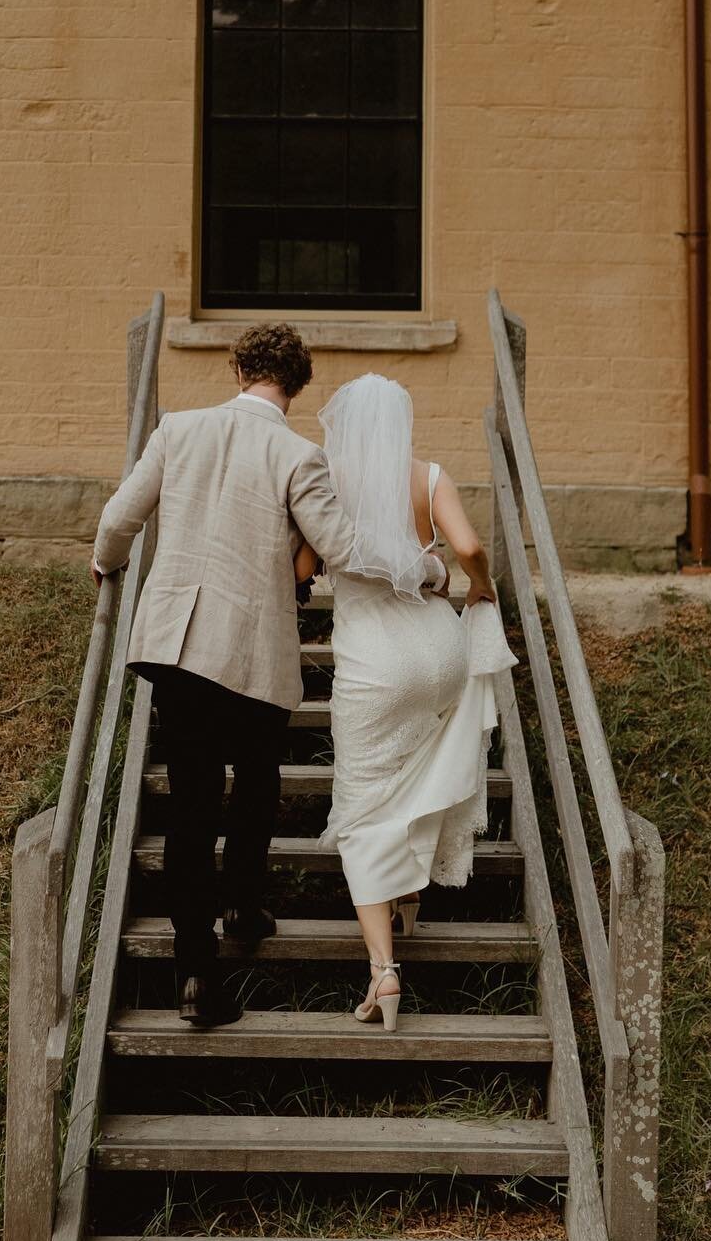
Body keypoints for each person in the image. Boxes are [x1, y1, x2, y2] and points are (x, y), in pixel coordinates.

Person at [92, 325, 446, 1028]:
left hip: (178, 644)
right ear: (297, 384)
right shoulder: (298, 454)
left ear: (238, 368)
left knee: (191, 812)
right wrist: (429, 571)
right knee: (255, 785)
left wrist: (106, 562)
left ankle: (195, 976)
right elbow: (344, 549)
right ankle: (244, 904)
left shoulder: (178, 429)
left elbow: (118, 519)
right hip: (252, 653)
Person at [294, 373, 513, 1033]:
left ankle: (384, 970)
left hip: (376, 665)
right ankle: (410, 888)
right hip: (440, 650)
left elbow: (303, 570)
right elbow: (471, 547)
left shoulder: (328, 485)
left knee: (362, 809)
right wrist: (481, 588)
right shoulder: (428, 475)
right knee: (417, 771)